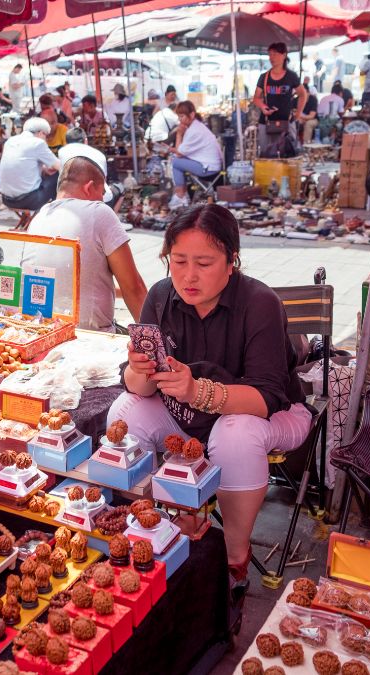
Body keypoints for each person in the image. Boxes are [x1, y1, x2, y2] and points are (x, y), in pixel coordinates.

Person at [108, 203, 309, 581]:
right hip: (187, 417)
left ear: (232, 261)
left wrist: (198, 392)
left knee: (235, 434)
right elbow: (137, 386)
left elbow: (266, 397)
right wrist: (140, 370)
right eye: (178, 261)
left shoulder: (260, 303)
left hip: (273, 415)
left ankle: (234, 552)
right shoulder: (161, 296)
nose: (189, 276)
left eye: (204, 263)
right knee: (123, 411)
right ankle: (160, 522)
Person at [27, 144, 147, 332]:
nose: (101, 200)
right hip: (90, 336)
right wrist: (155, 345)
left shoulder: (40, 216)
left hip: (42, 330)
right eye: (100, 194)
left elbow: (69, 281)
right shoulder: (99, 212)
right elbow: (134, 287)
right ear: (89, 187)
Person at [168, 101, 224, 210]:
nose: (180, 120)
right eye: (178, 116)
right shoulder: (196, 126)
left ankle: (180, 196)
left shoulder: (194, 130)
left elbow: (179, 153)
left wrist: (179, 134)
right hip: (211, 165)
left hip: (209, 169)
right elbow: (182, 151)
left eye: (182, 116)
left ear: (192, 114)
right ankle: (182, 195)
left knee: (175, 162)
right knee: (178, 160)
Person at [253, 42, 308, 153]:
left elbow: (303, 94)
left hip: (287, 122)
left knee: (288, 154)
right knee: (266, 155)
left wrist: (298, 114)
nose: (271, 57)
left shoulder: (291, 76)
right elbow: (256, 98)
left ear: (284, 55)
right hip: (266, 122)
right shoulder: (264, 77)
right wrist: (263, 107)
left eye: (275, 54)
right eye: (270, 54)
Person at [0, 117, 61, 211]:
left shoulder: (10, 141)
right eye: (46, 136)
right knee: (58, 176)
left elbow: (21, 165)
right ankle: (55, 214)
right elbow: (60, 166)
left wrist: (44, 169)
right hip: (28, 201)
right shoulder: (38, 143)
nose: (46, 139)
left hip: (6, 199)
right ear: (41, 133)